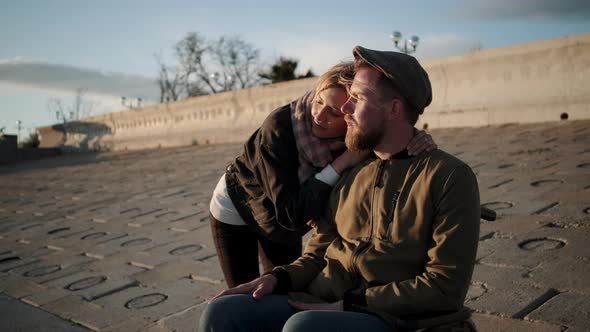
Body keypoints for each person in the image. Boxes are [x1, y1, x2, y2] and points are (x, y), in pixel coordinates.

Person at [201, 46, 480, 332]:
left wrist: (353, 303)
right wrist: (277, 279)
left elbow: (445, 286)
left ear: (394, 109)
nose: (345, 108)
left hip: (391, 315)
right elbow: (315, 254)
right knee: (223, 313)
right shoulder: (347, 171)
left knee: (303, 328)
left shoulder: (449, 177)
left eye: (357, 99)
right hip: (318, 295)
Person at [209, 62, 437, 288]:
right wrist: (341, 163)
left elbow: (387, 131)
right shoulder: (279, 128)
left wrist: (416, 138)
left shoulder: (356, 132)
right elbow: (291, 214)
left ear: (350, 113)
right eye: (318, 101)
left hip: (284, 224)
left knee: (281, 289)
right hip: (236, 207)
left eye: (334, 112)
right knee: (244, 292)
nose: (318, 115)